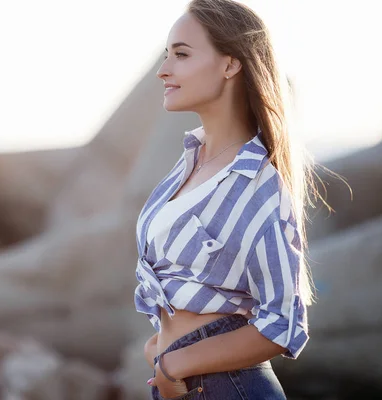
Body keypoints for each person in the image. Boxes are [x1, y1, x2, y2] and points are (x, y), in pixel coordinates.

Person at [133, 1, 321, 398]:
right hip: (184, 383)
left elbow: (284, 321)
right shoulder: (188, 163)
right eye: (167, 55)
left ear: (230, 64)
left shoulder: (259, 185)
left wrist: (176, 362)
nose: (163, 70)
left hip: (228, 386)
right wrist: (161, 348)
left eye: (181, 55)